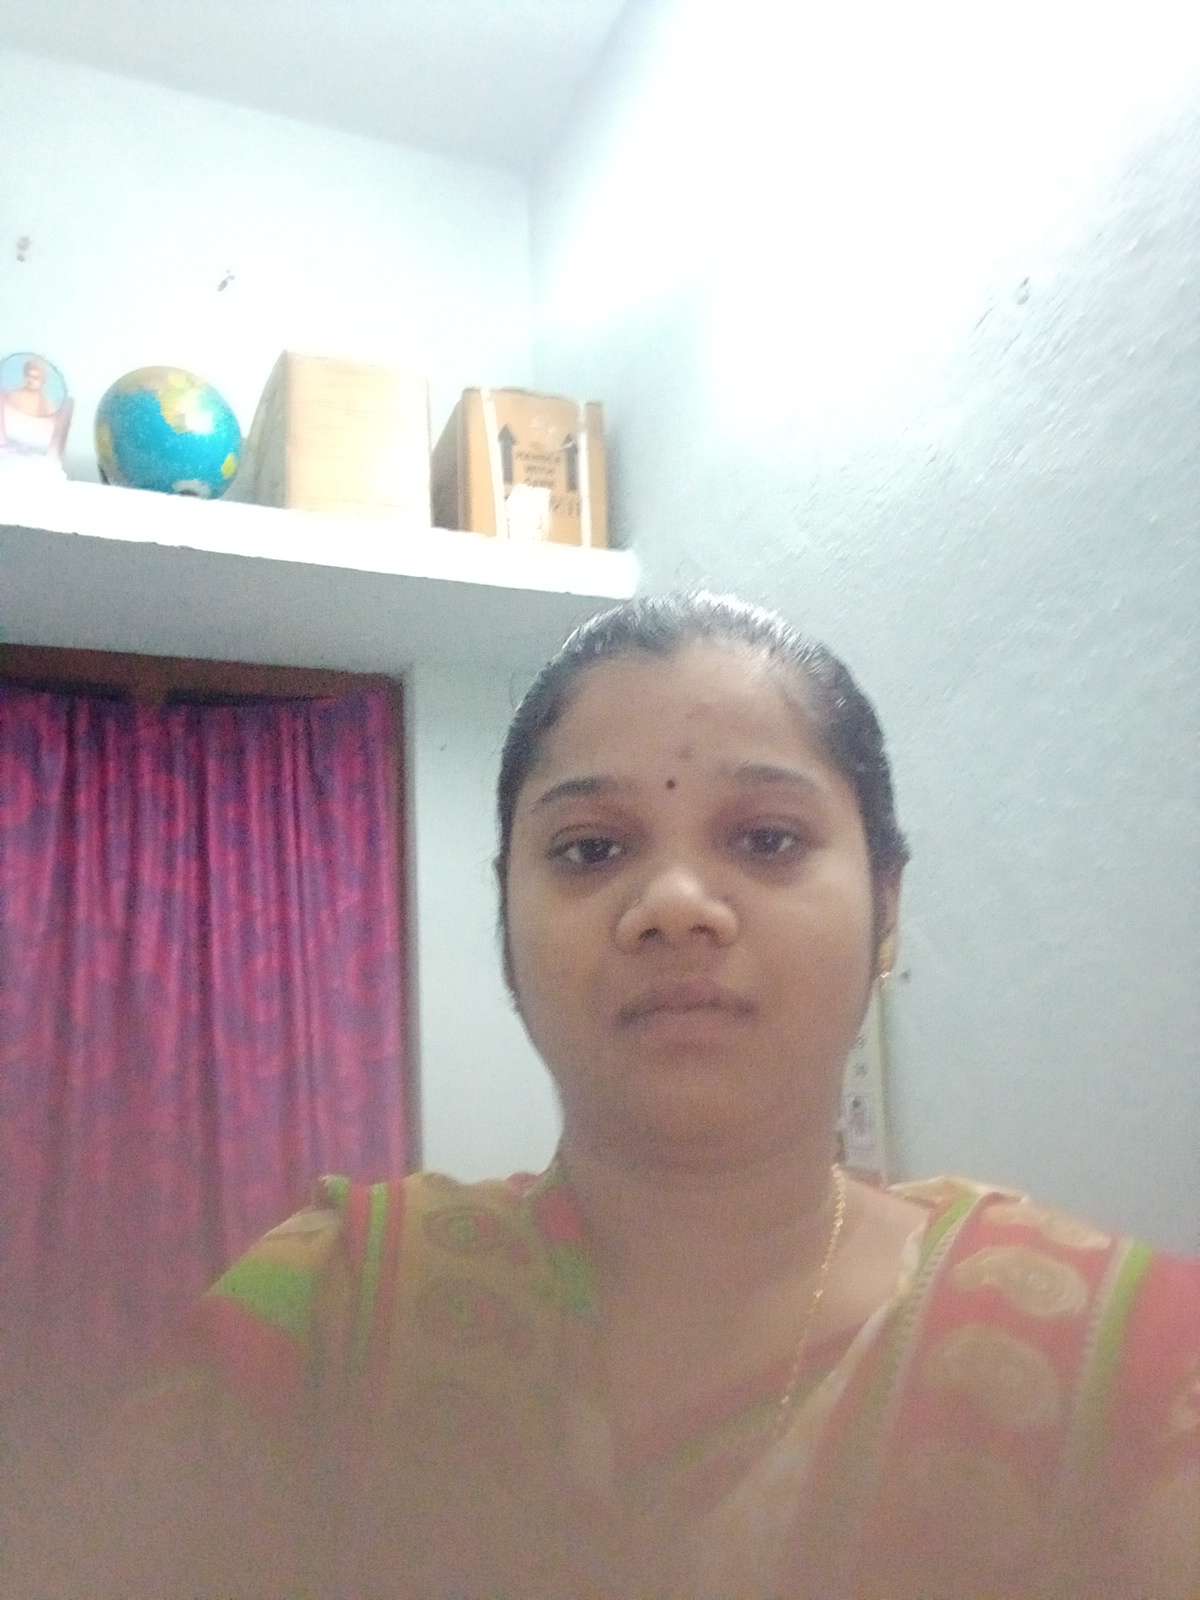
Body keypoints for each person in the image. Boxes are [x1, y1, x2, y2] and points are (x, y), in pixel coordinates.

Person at [11, 594, 1199, 1598]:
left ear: (886, 906)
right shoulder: (328, 1310)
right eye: (590, 848)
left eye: (768, 839)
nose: (675, 904)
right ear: (507, 919)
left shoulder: (1132, 1369)